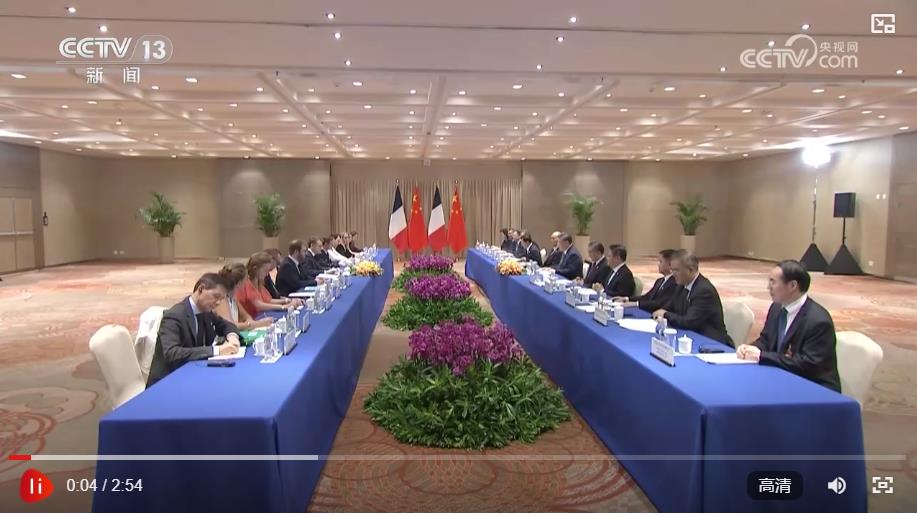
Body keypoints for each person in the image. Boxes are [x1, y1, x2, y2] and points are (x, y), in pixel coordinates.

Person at [737, 260, 841, 391]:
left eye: (773, 282)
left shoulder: (818, 321)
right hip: (784, 376)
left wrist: (762, 356)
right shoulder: (776, 307)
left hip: (815, 387)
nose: (768, 287)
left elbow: (808, 364)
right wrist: (750, 348)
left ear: (792, 285)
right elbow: (766, 340)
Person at [146, 273, 241, 387]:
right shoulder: (174, 315)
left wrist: (232, 337)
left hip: (193, 373)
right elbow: (172, 353)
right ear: (201, 289)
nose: (218, 303)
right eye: (216, 296)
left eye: (221, 299)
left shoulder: (206, 311)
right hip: (167, 381)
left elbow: (226, 325)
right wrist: (217, 350)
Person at [653, 251, 732, 346]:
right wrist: (662, 313)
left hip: (711, 343)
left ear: (690, 270)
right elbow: (668, 307)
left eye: (676, 270)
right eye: (672, 270)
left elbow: (688, 322)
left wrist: (665, 314)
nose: (673, 274)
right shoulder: (681, 285)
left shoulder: (704, 291)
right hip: (690, 336)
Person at [237, 251, 302, 315]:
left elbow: (268, 300)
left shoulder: (259, 283)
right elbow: (259, 305)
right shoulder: (247, 283)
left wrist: (288, 300)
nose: (267, 274)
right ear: (255, 269)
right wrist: (284, 307)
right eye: (265, 270)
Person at [215, 263, 273, 331]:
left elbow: (245, 315)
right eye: (246, 278)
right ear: (239, 282)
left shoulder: (233, 296)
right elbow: (229, 325)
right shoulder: (222, 299)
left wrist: (250, 322)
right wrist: (256, 324)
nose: (247, 280)